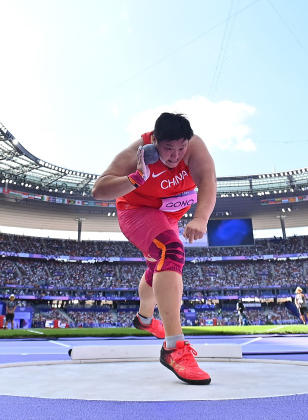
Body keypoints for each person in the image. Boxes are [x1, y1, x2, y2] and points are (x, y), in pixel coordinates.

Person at [93, 112, 217, 385]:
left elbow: (208, 182)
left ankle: (145, 319)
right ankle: (174, 348)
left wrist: (200, 218)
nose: (175, 156)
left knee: (158, 267)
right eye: (168, 149)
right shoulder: (135, 153)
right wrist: (136, 178)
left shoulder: (195, 148)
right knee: (170, 251)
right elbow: (99, 190)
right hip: (135, 210)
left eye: (181, 148)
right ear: (154, 142)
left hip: (167, 216)